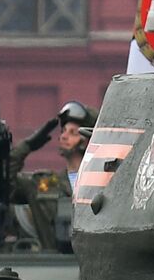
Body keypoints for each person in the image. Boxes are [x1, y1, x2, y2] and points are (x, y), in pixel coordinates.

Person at [6, 100, 96, 252]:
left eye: (72, 132)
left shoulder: (105, 183)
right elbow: (2, 180)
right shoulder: (44, 185)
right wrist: (26, 146)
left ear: (88, 141)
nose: (63, 136)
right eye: (63, 131)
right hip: (54, 266)